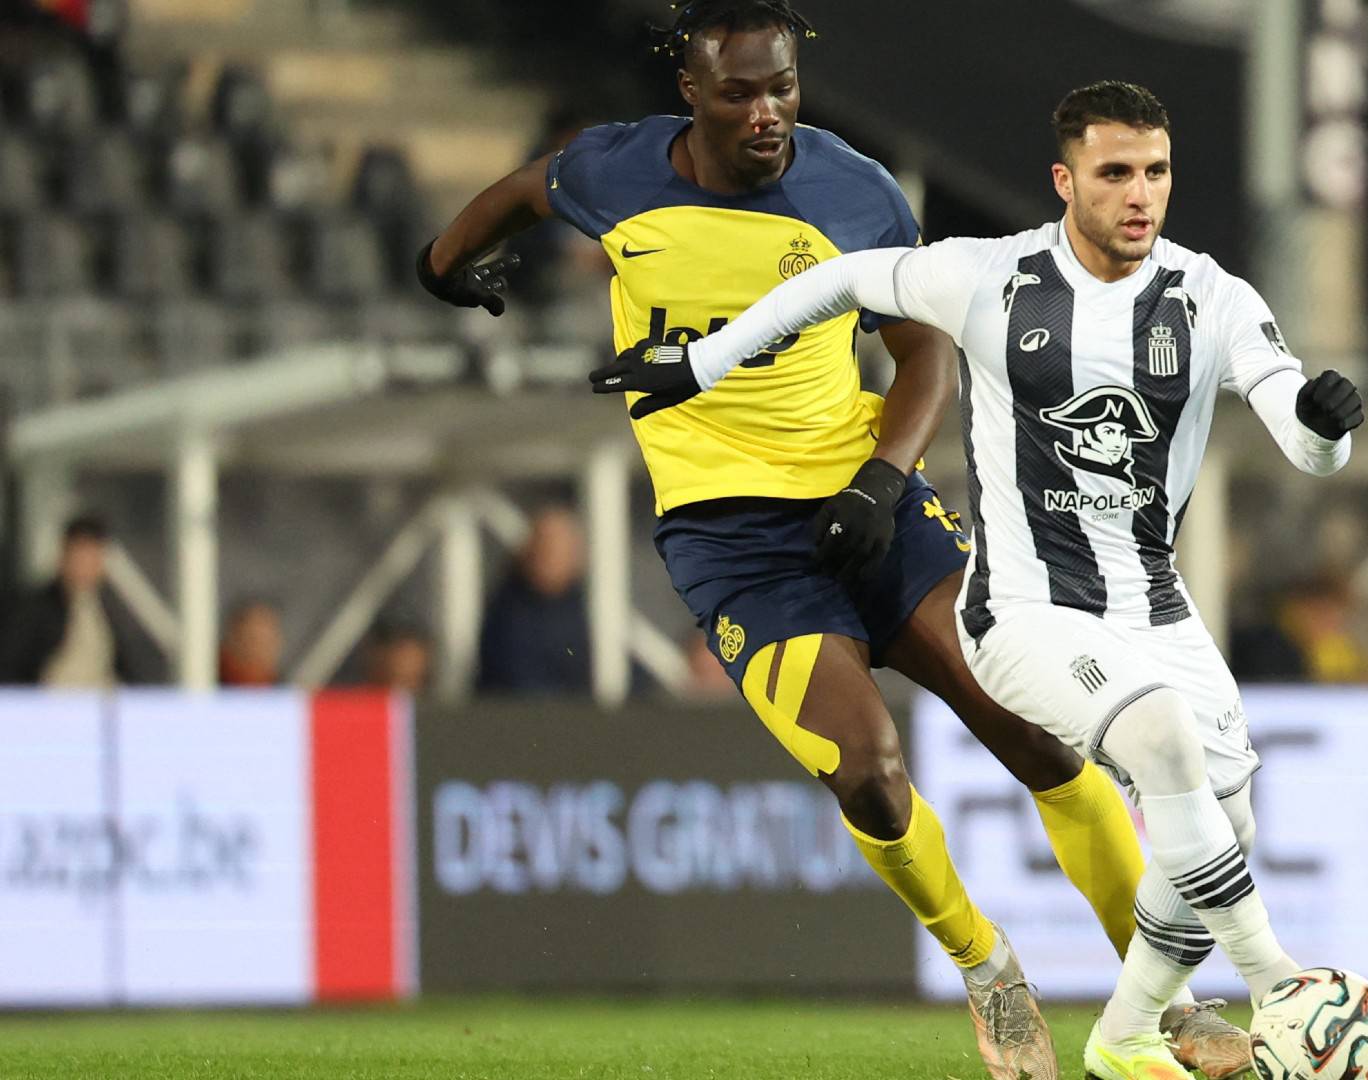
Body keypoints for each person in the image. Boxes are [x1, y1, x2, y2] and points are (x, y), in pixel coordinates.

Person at [414, 7, 1220, 1076]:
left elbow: (926, 354)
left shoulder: (855, 190)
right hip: (732, 546)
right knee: (870, 773)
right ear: (692, 92)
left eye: (783, 88)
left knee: (1037, 734)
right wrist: (444, 263)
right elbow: (528, 188)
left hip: (870, 506)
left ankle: (1171, 1008)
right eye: (740, 93)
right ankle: (985, 967)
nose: (767, 113)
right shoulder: (615, 170)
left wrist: (883, 482)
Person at [617, 79, 1368, 1080]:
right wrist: (705, 364)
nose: (1140, 193)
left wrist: (1328, 429)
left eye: (1156, 172)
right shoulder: (990, 277)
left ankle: (1127, 1033)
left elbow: (1302, 440)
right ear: (1065, 181)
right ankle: (1279, 984)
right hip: (1024, 606)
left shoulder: (1213, 298)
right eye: (1114, 172)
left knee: (1228, 821)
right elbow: (838, 281)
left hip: (1154, 605)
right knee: (1154, 738)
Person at [0, 516, 159, 687]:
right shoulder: (34, 608)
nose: (86, 565)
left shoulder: (109, 608)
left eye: (94, 557)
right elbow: (11, 666)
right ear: (64, 556)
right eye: (80, 556)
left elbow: (131, 667)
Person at [476, 506, 594, 694]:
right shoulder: (507, 616)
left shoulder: (583, 610)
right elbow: (515, 680)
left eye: (556, 549)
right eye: (543, 546)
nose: (546, 556)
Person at [217, 599, 283, 686]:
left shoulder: (280, 687)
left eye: (267, 641)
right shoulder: (209, 678)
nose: (259, 651)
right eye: (253, 639)